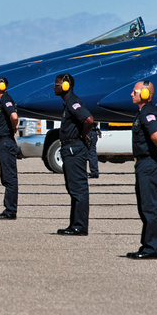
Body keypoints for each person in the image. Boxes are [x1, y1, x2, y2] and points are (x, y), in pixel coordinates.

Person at [126, 81, 157, 260]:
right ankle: (147, 245)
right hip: (143, 164)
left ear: (145, 94)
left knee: (150, 208)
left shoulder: (148, 113)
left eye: (135, 92)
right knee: (144, 208)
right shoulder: (142, 113)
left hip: (149, 164)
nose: (131, 94)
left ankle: (152, 248)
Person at [54, 73, 94, 235]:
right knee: (73, 188)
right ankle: (74, 224)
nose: (54, 87)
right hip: (69, 148)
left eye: (57, 84)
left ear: (65, 86)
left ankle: (80, 226)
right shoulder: (68, 103)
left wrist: (82, 135)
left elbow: (89, 120)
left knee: (78, 189)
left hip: (74, 148)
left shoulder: (73, 102)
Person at [0, 77, 19, 219]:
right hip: (3, 142)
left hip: (6, 142)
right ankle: (9, 208)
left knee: (10, 177)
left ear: (1, 87)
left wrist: (14, 127)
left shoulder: (6, 100)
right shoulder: (2, 101)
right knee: (5, 177)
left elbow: (14, 115)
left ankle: (10, 210)